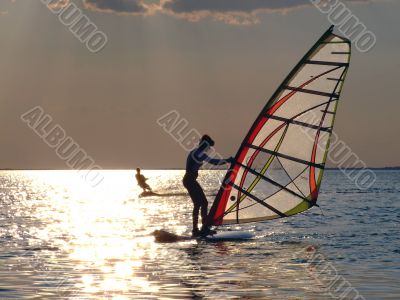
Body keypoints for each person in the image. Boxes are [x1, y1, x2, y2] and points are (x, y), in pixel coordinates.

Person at [183, 135, 232, 237]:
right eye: (208, 146)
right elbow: (214, 162)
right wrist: (227, 160)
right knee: (203, 203)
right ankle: (202, 229)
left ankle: (197, 229)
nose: (208, 148)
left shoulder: (195, 152)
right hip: (189, 180)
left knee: (199, 204)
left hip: (189, 180)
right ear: (204, 144)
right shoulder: (198, 153)